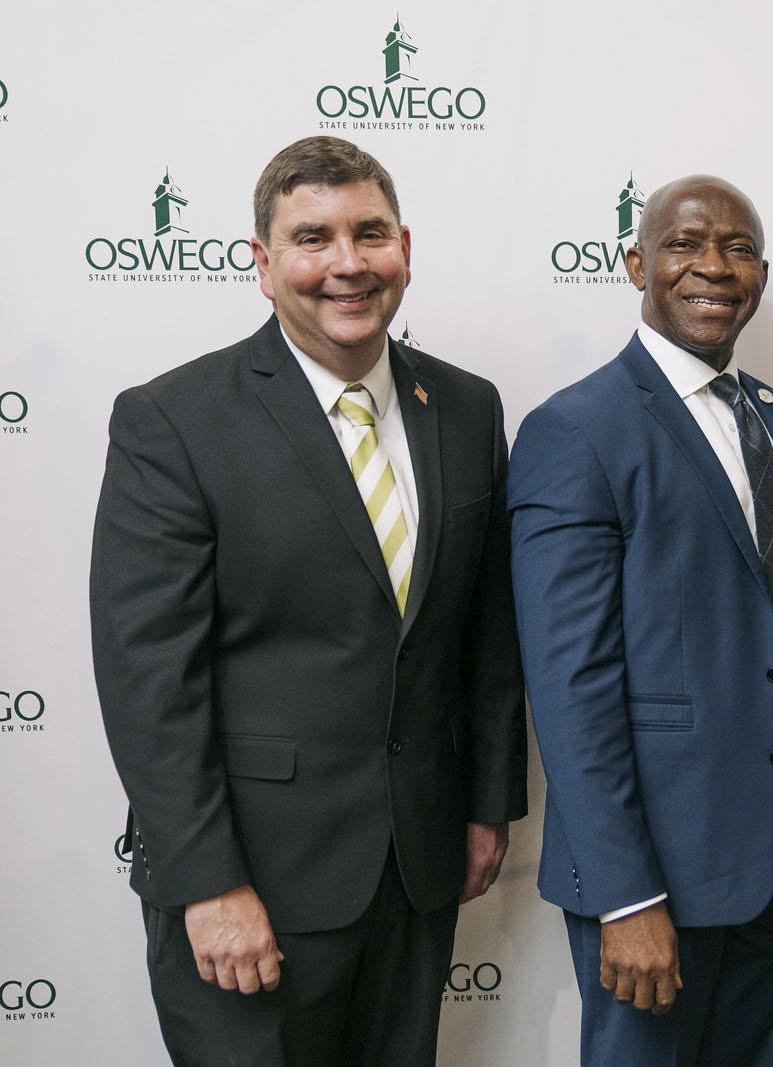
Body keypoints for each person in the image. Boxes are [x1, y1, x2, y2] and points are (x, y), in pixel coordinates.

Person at [89, 135, 526, 1067]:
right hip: (252, 888)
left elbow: (484, 634)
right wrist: (208, 884)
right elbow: (148, 681)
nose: (347, 264)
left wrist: (487, 802)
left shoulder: (467, 406)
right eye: (312, 238)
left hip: (415, 873)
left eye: (370, 234)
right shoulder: (173, 420)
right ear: (262, 263)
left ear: (404, 245)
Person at [509, 174, 773, 1066]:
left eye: (739, 248)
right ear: (638, 261)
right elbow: (570, 690)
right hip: (655, 877)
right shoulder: (577, 430)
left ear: (759, 272)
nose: (713, 266)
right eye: (685, 244)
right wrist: (625, 892)